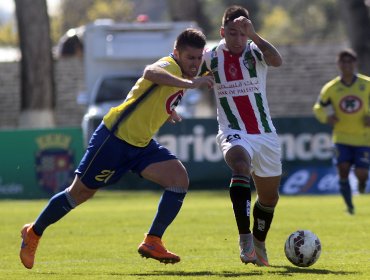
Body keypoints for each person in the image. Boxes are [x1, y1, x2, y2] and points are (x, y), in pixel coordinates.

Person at [19, 28, 214, 269]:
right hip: (114, 140)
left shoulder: (181, 74)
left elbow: (153, 97)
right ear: (176, 53)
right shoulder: (172, 66)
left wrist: (168, 110)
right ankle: (34, 232)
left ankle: (153, 240)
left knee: (178, 179)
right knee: (78, 193)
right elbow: (151, 72)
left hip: (141, 145)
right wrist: (191, 83)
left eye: (198, 58)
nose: (195, 64)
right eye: (190, 58)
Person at [200, 5, 283, 266]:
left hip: (264, 133)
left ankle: (259, 243)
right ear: (222, 31)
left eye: (242, 34)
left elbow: (277, 60)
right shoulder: (210, 57)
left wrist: (255, 35)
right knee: (240, 165)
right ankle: (244, 237)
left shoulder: (255, 51)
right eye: (232, 33)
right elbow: (185, 71)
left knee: (269, 197)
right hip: (232, 130)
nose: (238, 39)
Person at [313, 49, 370, 215]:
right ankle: (350, 207)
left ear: (355, 64)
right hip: (341, 137)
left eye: (349, 61)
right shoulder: (331, 88)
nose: (346, 65)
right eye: (343, 62)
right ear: (338, 65)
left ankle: (361, 184)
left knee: (362, 173)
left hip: (363, 138)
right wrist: (327, 117)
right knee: (343, 169)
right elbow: (318, 107)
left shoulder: (366, 84)